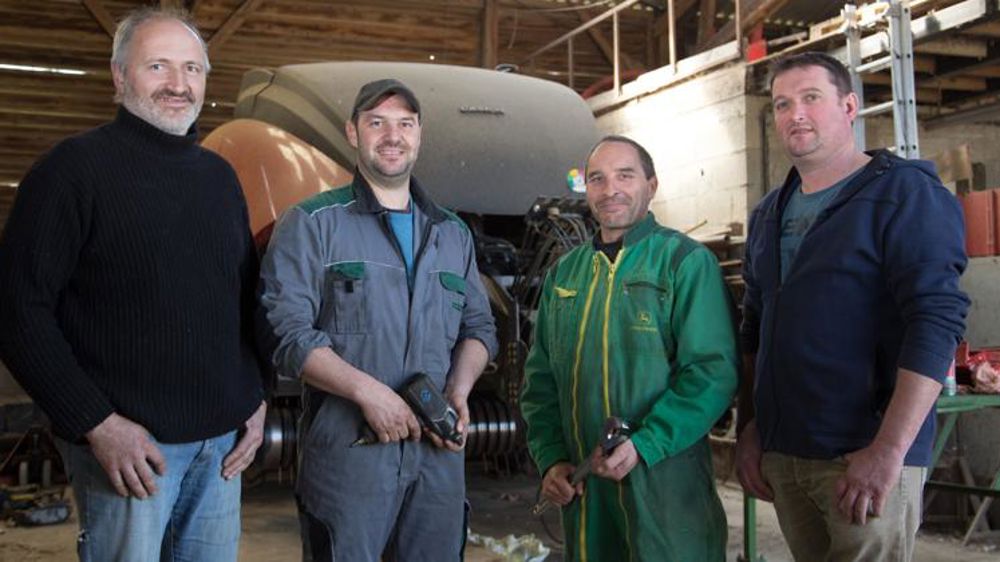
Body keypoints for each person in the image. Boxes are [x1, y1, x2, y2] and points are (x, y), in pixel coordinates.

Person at [0, 7, 267, 562]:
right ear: (120, 76)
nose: (178, 84)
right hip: (132, 450)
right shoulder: (70, 172)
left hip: (220, 451)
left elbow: (243, 299)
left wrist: (255, 394)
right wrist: (95, 423)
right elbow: (17, 310)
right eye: (159, 66)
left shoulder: (218, 177)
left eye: (192, 69)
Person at [736, 51, 969, 561]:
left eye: (811, 98)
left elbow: (936, 321)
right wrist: (750, 429)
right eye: (782, 104)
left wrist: (889, 450)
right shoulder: (769, 214)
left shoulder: (904, 193)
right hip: (786, 454)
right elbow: (754, 326)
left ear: (849, 107)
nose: (795, 113)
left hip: (862, 455)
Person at [258, 78, 498, 562]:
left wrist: (458, 391)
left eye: (405, 124)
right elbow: (286, 332)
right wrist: (368, 393)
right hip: (349, 455)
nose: (393, 135)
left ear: (419, 135)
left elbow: (479, 328)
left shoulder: (452, 233)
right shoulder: (313, 223)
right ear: (353, 133)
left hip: (437, 453)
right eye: (377, 123)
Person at [520, 135, 739, 561]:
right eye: (597, 179)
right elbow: (541, 381)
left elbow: (712, 372)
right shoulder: (565, 274)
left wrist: (647, 443)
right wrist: (551, 460)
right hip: (586, 490)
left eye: (625, 175)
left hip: (665, 485)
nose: (610, 189)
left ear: (651, 185)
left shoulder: (684, 263)